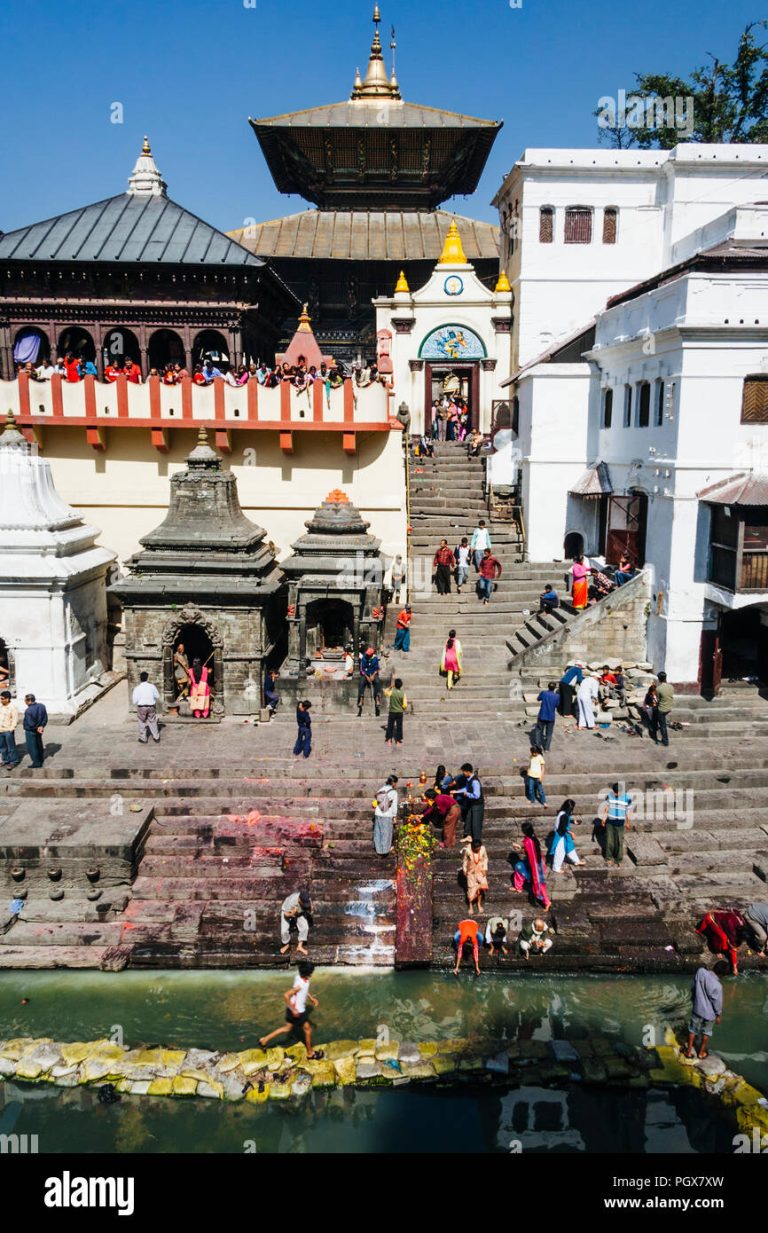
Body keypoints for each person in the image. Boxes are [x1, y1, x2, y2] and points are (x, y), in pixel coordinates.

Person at [258, 961, 323, 1058]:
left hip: (292, 1010)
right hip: (298, 1012)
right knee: (308, 1030)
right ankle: (310, 1053)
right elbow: (286, 995)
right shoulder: (300, 984)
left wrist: (311, 998)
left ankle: (264, 1040)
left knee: (287, 1028)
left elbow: (305, 989)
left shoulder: (301, 978)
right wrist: (294, 1010)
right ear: (309, 972)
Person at [686, 964, 725, 1059]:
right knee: (706, 1032)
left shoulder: (701, 972)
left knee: (692, 1030)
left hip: (697, 1009)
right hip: (709, 1014)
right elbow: (717, 1004)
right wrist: (718, 1015)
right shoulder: (718, 986)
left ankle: (689, 1052)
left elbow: (694, 985)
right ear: (722, 975)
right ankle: (701, 1053)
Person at [695, 909, 747, 975]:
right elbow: (733, 950)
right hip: (711, 918)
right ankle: (716, 950)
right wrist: (735, 968)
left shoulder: (741, 924)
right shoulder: (731, 929)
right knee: (723, 937)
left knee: (727, 941)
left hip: (721, 918)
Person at [513, 822, 551, 909]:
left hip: (535, 865)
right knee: (518, 866)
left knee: (538, 883)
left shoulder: (529, 841)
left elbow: (532, 856)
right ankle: (518, 887)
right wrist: (520, 847)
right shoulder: (531, 838)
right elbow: (529, 853)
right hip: (534, 862)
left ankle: (547, 902)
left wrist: (519, 847)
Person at [601, 783, 633, 865]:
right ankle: (608, 857)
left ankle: (619, 859)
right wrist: (604, 819)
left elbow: (628, 811)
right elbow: (606, 808)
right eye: (614, 792)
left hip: (620, 823)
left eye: (617, 792)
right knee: (610, 841)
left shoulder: (627, 798)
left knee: (619, 841)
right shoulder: (609, 796)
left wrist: (628, 822)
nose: (615, 794)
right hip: (610, 822)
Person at [454, 763, 484, 844]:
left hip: (477, 805)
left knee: (476, 822)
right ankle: (468, 836)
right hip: (472, 804)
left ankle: (476, 841)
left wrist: (467, 794)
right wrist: (456, 792)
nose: (463, 773)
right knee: (469, 818)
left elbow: (476, 795)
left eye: (463, 771)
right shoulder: (469, 780)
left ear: (467, 772)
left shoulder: (474, 781)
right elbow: (466, 788)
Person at [549, 800, 583, 873]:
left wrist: (573, 821)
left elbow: (566, 820)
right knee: (560, 851)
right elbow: (563, 828)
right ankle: (556, 867)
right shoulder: (564, 815)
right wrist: (571, 833)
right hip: (560, 835)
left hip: (563, 834)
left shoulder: (562, 812)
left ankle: (576, 861)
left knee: (570, 848)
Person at [279, 889, 312, 956]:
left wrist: (309, 910)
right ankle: (286, 944)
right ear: (299, 899)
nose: (306, 904)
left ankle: (299, 946)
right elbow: (286, 914)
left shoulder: (307, 898)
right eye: (304, 903)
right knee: (284, 931)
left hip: (300, 912)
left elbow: (310, 907)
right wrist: (292, 914)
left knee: (305, 928)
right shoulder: (291, 901)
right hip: (287, 911)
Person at [462, 837, 489, 915]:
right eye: (476, 849)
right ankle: (470, 906)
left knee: (480, 889)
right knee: (471, 890)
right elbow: (465, 861)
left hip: (480, 871)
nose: (478, 850)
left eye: (479, 848)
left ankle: (479, 904)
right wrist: (464, 870)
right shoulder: (468, 851)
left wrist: (485, 868)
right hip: (471, 872)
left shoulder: (483, 849)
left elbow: (486, 859)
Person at [132, 672, 161, 744]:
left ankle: (143, 738)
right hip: (151, 706)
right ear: (147, 678)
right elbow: (157, 696)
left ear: (140, 679)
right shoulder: (152, 686)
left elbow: (134, 701)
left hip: (142, 707)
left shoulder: (137, 688)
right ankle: (156, 737)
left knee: (142, 722)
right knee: (152, 721)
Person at [373, 776, 399, 855]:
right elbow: (394, 806)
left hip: (378, 812)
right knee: (386, 833)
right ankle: (384, 851)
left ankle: (378, 850)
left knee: (378, 831)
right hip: (387, 814)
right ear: (393, 783)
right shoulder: (394, 792)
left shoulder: (380, 789)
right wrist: (394, 815)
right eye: (396, 783)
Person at [22, 694, 48, 768]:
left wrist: (36, 727)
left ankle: (36, 762)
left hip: (31, 730)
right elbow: (45, 718)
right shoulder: (42, 706)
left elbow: (30, 723)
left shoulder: (28, 711)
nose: (25, 702)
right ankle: (41, 759)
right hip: (39, 729)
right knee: (39, 745)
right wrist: (41, 726)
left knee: (32, 747)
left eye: (25, 700)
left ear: (29, 700)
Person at [357, 647, 382, 717]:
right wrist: (367, 677)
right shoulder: (364, 658)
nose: (367, 655)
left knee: (377, 682)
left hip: (373, 674)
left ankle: (377, 698)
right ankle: (361, 698)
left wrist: (373, 675)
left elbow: (377, 668)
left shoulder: (375, 658)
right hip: (366, 674)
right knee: (361, 682)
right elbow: (362, 669)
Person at [535, 682, 559, 751]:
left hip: (542, 715)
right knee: (549, 733)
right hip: (551, 717)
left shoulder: (544, 693)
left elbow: (538, 698)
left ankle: (537, 746)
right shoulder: (557, 696)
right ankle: (547, 748)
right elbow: (557, 705)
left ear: (548, 686)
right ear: (554, 688)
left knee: (538, 730)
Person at [384, 677, 407, 746]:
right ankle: (398, 741)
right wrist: (402, 708)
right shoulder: (403, 693)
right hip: (399, 712)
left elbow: (385, 692)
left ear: (395, 685)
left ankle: (389, 740)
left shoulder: (392, 692)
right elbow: (405, 705)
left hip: (392, 712)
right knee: (399, 726)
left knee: (390, 726)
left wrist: (390, 686)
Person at [0, 691, 20, 770]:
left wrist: (11, 729)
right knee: (2, 747)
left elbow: (15, 720)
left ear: (7, 699)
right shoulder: (1, 707)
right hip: (0, 730)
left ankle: (13, 761)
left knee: (11, 747)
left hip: (8, 730)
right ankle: (5, 760)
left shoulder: (12, 708)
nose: (1, 700)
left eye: (2, 699)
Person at [654, 671, 674, 746]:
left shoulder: (658, 689)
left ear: (659, 679)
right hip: (669, 707)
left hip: (662, 710)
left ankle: (665, 741)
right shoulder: (671, 686)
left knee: (663, 726)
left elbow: (657, 700)